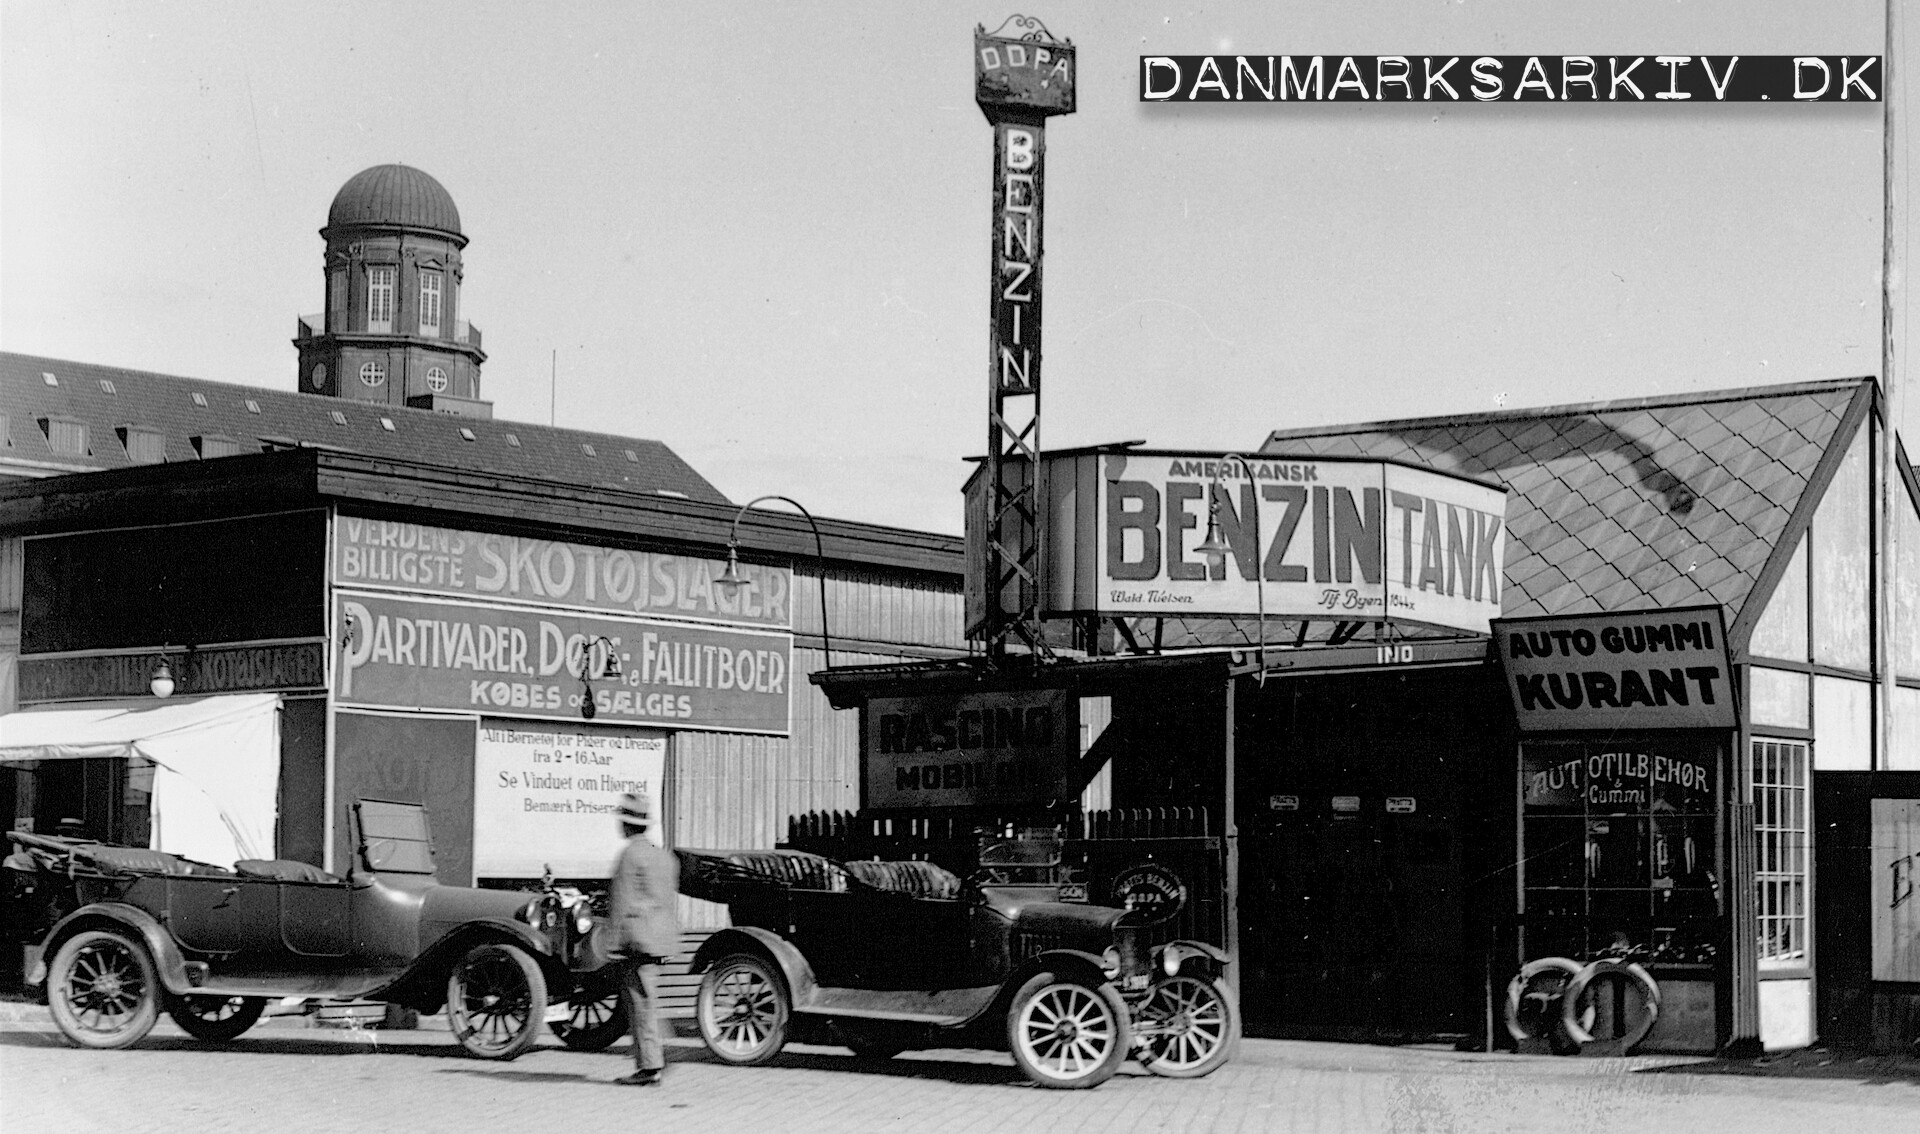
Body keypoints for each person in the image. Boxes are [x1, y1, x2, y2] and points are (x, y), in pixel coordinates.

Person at [607, 790, 681, 1087]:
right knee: (647, 999)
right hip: (660, 937)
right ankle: (654, 1060)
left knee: (640, 1003)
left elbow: (621, 902)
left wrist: (612, 944)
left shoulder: (629, 855)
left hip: (638, 939)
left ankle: (649, 1067)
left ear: (626, 825)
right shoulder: (660, 854)